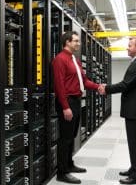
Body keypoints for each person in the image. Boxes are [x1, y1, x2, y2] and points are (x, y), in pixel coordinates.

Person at [52, 31, 104, 184]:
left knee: (72, 135)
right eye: (75, 41)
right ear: (67, 42)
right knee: (65, 138)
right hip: (67, 102)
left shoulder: (74, 60)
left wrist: (98, 87)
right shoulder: (60, 60)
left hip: (75, 100)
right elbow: (59, 86)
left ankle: (69, 164)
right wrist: (65, 107)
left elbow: (85, 81)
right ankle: (61, 172)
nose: (78, 43)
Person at [99, 37, 136, 184]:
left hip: (135, 109)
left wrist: (106, 89)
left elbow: (125, 85)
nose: (127, 48)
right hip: (134, 109)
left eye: (130, 46)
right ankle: (134, 169)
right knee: (134, 142)